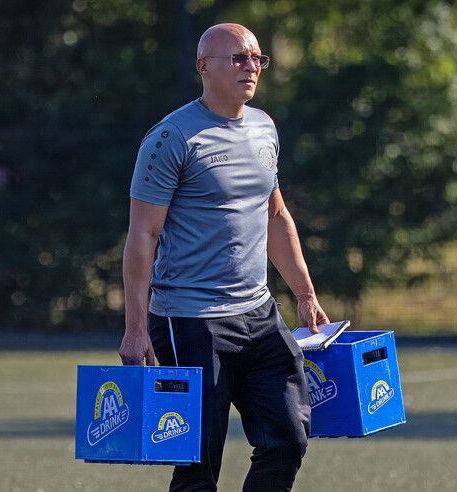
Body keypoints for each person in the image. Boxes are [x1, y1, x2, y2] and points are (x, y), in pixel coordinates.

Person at [118, 23, 330, 492]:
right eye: (236, 58)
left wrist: (305, 293)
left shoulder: (264, 126)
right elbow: (142, 235)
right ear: (202, 67)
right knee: (198, 467)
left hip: (259, 314)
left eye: (256, 58)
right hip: (191, 321)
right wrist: (135, 328)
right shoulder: (170, 138)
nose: (250, 66)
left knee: (288, 438)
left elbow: (276, 215)